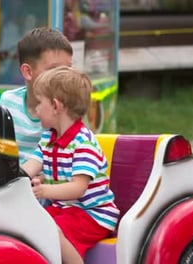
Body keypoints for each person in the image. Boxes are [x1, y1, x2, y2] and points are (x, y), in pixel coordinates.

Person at [21, 66, 119, 264]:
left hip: (93, 213)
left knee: (50, 229)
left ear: (56, 106)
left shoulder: (84, 143)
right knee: (26, 223)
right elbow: (30, 167)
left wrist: (44, 190)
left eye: (39, 103)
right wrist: (9, 175)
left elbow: (78, 188)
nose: (36, 109)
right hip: (65, 208)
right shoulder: (49, 137)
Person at [0, 27, 73, 166]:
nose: (64, 77)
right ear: (28, 72)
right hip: (11, 180)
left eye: (68, 69)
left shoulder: (67, 108)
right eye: (55, 69)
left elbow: (69, 161)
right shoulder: (8, 101)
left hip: (46, 184)